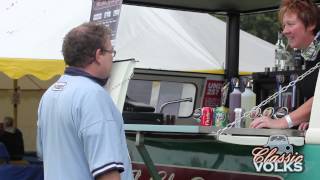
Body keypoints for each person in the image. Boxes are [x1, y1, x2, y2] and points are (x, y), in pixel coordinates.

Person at [37, 22, 133, 180]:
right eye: (111, 52)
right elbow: (107, 172)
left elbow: (44, 154)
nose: (112, 58)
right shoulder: (93, 95)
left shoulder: (50, 94)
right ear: (98, 55)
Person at [250, 0, 320, 130]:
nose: (285, 31)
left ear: (311, 24)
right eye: (283, 26)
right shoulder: (310, 55)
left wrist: (283, 122)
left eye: (290, 24)